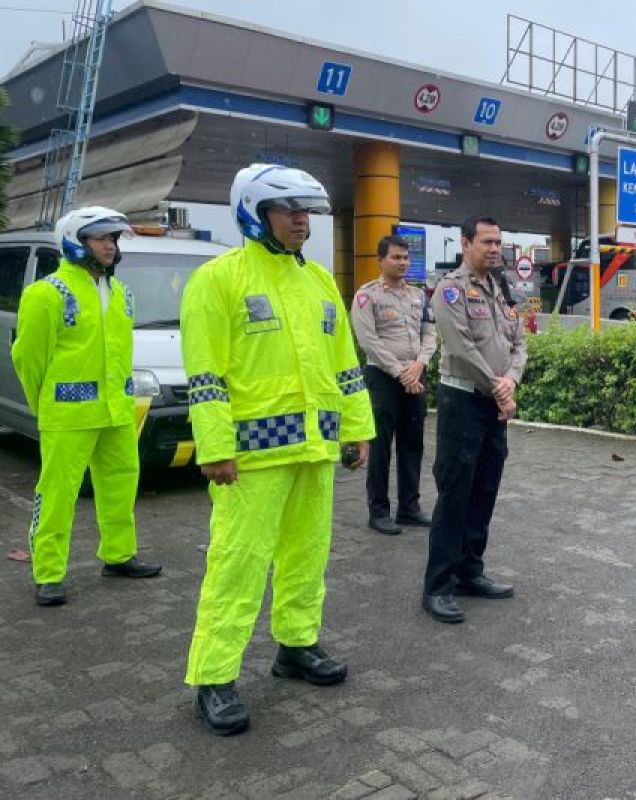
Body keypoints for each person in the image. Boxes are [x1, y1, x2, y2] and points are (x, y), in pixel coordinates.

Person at [181, 164, 374, 736]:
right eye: (288, 210)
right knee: (237, 563)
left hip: (314, 449)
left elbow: (345, 364)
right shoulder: (218, 280)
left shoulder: (319, 282)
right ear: (253, 212)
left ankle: (296, 646)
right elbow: (206, 375)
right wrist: (214, 446)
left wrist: (356, 430)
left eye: (305, 210)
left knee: (306, 556)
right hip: (251, 459)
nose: (300, 220)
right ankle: (213, 676)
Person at [12, 207, 162, 607]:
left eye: (113, 238)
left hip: (116, 411)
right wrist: (44, 406)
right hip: (68, 414)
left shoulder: (122, 293)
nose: (110, 246)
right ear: (75, 242)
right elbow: (28, 359)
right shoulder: (47, 293)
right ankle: (48, 573)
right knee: (58, 493)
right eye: (101, 238)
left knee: (121, 484)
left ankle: (119, 555)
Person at [421, 216, 526, 624]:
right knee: (455, 494)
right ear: (465, 244)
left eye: (498, 242)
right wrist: (500, 389)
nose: (495, 248)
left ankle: (470, 572)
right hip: (463, 401)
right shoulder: (450, 290)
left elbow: (519, 343)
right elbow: (462, 348)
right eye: (486, 241)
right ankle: (438, 586)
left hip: (495, 405)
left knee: (484, 490)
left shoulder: (501, 288)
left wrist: (510, 381)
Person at [350, 235, 437, 535]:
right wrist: (402, 373)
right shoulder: (367, 296)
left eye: (405, 258)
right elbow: (368, 341)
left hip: (415, 377)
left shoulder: (419, 296)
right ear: (380, 260)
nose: (402, 263)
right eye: (396, 257)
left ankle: (409, 508)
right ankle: (378, 512)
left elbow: (430, 334)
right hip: (383, 379)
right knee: (381, 447)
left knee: (413, 445)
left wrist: (419, 365)